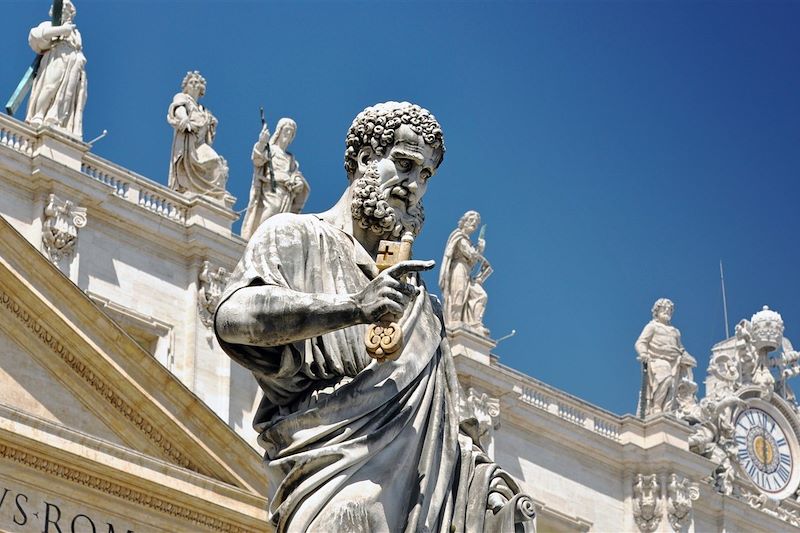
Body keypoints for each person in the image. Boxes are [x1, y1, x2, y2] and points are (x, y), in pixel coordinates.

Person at [215, 102, 534, 532]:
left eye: (425, 177)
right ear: (366, 158)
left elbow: (439, 431)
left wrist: (483, 482)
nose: (414, 186)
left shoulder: (421, 302)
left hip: (418, 508)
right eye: (405, 164)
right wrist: (353, 307)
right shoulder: (294, 235)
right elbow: (234, 318)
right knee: (356, 512)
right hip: (329, 483)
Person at [26, 0, 87, 139]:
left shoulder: (75, 32)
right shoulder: (49, 25)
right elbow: (35, 36)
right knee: (50, 86)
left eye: (67, 9)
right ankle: (39, 115)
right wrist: (61, 30)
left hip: (73, 62)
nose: (64, 11)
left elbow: (77, 48)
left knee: (67, 93)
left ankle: (57, 120)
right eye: (62, 8)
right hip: (56, 56)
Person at [240, 118, 310, 240]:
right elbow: (257, 160)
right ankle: (259, 237)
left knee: (281, 221)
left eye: (291, 133)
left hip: (287, 192)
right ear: (280, 131)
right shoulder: (270, 149)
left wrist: (298, 182)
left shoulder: (290, 157)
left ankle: (271, 240)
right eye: (287, 130)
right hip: (272, 189)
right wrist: (262, 142)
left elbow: (295, 173)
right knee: (271, 210)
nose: (288, 135)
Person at [166, 71, 229, 200]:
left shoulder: (204, 110)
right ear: (186, 86)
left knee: (216, 163)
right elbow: (178, 109)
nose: (194, 84)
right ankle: (190, 190)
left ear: (201, 88)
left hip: (200, 144)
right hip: (188, 141)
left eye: (197, 82)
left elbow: (208, 134)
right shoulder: (182, 97)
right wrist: (184, 119)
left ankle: (215, 195)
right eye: (191, 82)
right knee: (209, 163)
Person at [635, 298, 697, 417]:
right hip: (656, 359)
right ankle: (657, 407)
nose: (667, 311)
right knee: (665, 376)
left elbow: (681, 349)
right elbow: (640, 342)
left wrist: (689, 359)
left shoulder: (675, 332)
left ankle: (666, 410)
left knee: (672, 388)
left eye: (669, 310)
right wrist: (643, 354)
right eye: (664, 309)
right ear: (657, 311)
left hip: (675, 362)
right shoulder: (652, 327)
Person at [439, 210, 491, 335]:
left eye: (476, 222)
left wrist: (479, 250)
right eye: (471, 220)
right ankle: (454, 321)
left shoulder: (467, 241)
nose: (474, 224)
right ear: (464, 221)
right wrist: (479, 251)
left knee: (480, 295)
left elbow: (472, 260)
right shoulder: (458, 236)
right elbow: (470, 254)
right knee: (458, 293)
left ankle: (475, 323)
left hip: (467, 272)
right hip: (458, 268)